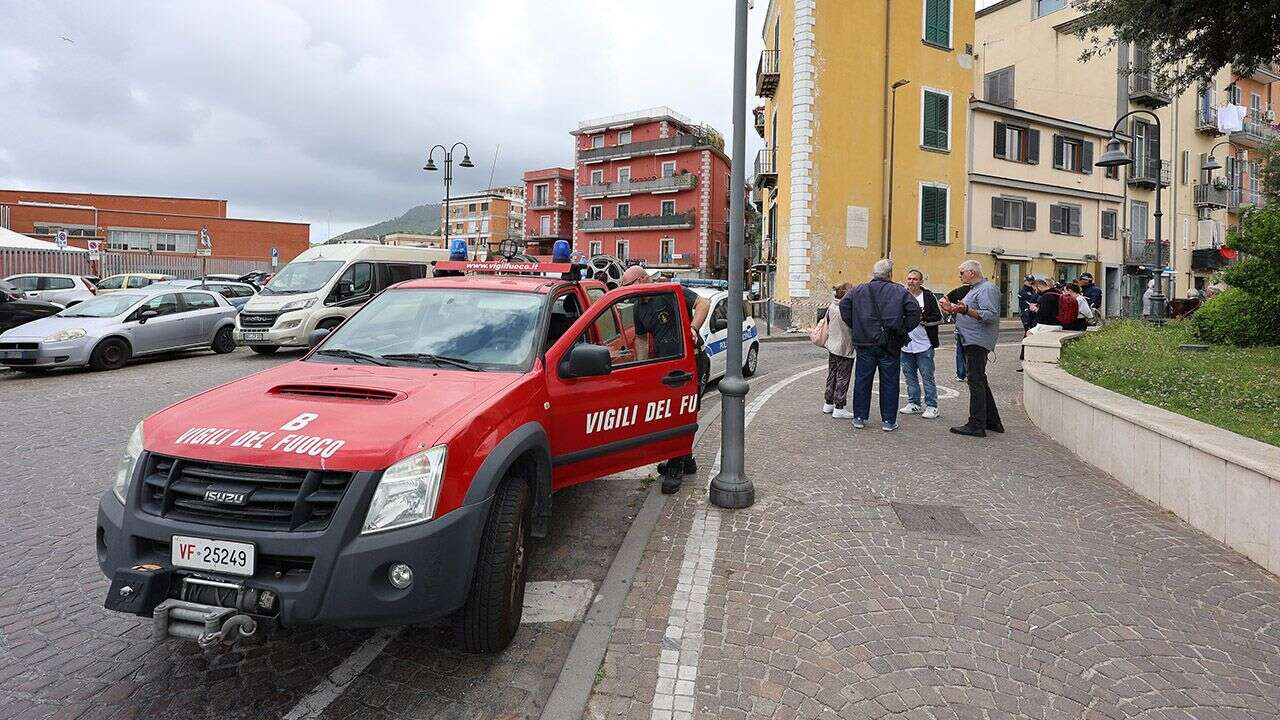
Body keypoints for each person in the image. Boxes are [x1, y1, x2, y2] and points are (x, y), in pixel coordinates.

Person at [620, 266, 710, 493]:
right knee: (670, 414)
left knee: (680, 415)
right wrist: (640, 368)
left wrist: (693, 328)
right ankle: (686, 461)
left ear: (641, 279)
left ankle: (675, 467)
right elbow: (640, 338)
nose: (628, 293)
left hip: (690, 363)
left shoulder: (668, 291)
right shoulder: (639, 305)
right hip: (665, 367)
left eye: (629, 287)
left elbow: (703, 304)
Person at [839, 258, 921, 432]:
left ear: (874, 274)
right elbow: (914, 312)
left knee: (862, 380)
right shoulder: (899, 291)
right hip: (890, 342)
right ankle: (889, 421)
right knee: (890, 382)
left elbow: (844, 306)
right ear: (889, 274)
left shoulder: (858, 289)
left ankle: (859, 417)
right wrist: (902, 328)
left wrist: (856, 324)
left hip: (865, 341)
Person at [939, 260, 1003, 438]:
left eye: (961, 273)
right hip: (972, 339)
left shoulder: (986, 289)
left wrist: (964, 309)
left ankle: (976, 424)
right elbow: (969, 310)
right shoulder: (975, 289)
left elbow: (989, 315)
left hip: (977, 341)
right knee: (979, 379)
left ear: (972, 273)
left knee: (975, 380)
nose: (960, 276)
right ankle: (992, 421)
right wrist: (954, 309)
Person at [900, 269, 942, 419]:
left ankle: (932, 406)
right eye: (909, 279)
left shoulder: (928, 297)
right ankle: (914, 403)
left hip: (924, 344)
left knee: (927, 376)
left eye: (915, 279)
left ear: (921, 282)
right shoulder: (902, 295)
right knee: (909, 375)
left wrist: (923, 320)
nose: (911, 282)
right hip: (906, 345)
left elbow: (939, 318)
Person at [823, 284, 857, 419]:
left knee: (832, 374)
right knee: (843, 377)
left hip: (832, 344)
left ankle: (828, 403)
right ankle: (839, 407)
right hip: (844, 346)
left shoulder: (832, 306)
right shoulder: (846, 309)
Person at [946, 285, 970, 382]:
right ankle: (971, 373)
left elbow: (945, 299)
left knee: (960, 350)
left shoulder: (960, 290)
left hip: (960, 325)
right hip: (971, 327)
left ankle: (961, 374)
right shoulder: (976, 291)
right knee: (971, 351)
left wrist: (951, 310)